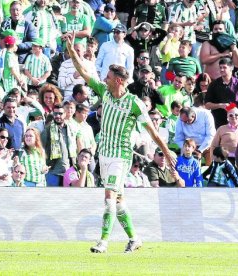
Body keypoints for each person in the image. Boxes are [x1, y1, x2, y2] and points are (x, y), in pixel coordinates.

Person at [66, 32, 175, 253]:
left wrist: (167, 152)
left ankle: (103, 242)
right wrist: (71, 51)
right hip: (104, 153)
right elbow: (83, 71)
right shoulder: (104, 92)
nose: (104, 79)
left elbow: (153, 132)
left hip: (121, 156)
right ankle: (134, 238)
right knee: (118, 201)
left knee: (109, 198)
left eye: (108, 76)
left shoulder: (135, 104)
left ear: (118, 80)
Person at [41, 104, 78, 187]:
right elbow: (41, 149)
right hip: (53, 170)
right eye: (55, 114)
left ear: (65, 114)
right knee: (52, 196)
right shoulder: (47, 130)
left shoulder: (71, 129)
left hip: (69, 169)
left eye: (60, 114)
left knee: (70, 196)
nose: (57, 116)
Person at [205, 57, 238, 129]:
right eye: (220, 67)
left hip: (236, 123)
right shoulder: (214, 84)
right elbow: (207, 105)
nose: (221, 70)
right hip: (218, 123)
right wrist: (220, 105)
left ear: (231, 68)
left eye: (224, 67)